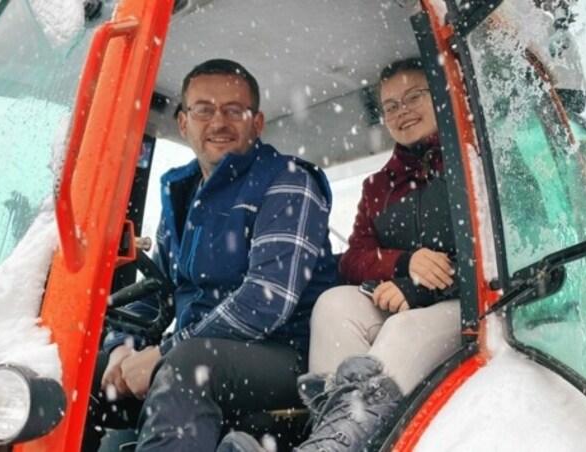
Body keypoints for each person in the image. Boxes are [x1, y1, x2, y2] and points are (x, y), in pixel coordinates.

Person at [83, 59, 338, 451]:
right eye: (204, 110)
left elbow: (266, 302)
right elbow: (157, 293)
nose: (218, 122)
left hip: (285, 356)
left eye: (234, 110)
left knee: (189, 366)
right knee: (79, 370)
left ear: (257, 123)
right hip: (199, 348)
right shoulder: (184, 195)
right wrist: (122, 344)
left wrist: (164, 353)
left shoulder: (288, 182)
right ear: (184, 124)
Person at [219, 57, 461, 451]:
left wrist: (419, 289)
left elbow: (506, 256)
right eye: (390, 106)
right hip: (402, 297)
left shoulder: (473, 162)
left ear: (441, 95)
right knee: (332, 303)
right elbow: (353, 259)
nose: (403, 112)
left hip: (470, 311)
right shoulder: (379, 187)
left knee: (401, 328)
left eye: (414, 96)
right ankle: (329, 436)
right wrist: (402, 263)